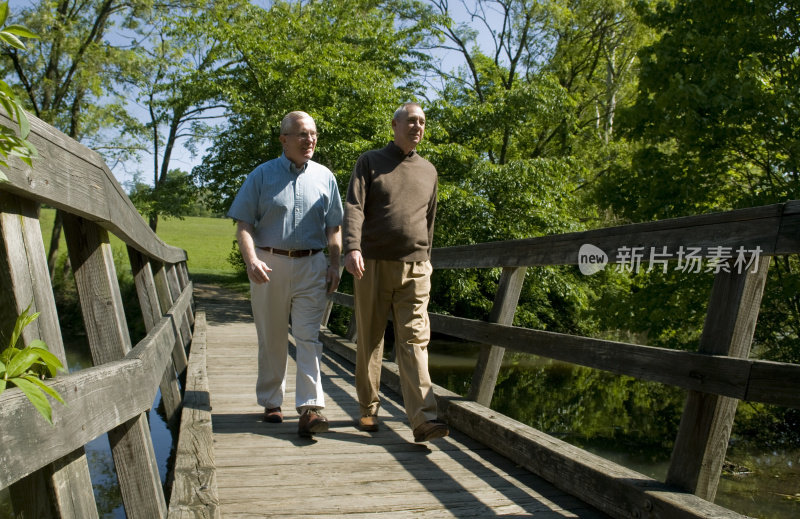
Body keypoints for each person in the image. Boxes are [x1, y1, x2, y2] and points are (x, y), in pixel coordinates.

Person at [227, 111, 343, 438]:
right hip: (269, 263)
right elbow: (244, 224)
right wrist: (250, 260)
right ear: (284, 139)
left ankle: (310, 408)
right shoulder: (262, 176)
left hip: (312, 265)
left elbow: (334, 227)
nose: (310, 140)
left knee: (308, 337)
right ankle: (271, 401)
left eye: (313, 134)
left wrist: (335, 264)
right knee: (273, 336)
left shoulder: (325, 177)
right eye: (302, 134)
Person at [343, 102, 449, 443]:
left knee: (415, 341)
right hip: (372, 263)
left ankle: (423, 419)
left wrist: (426, 258)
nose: (417, 126)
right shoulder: (370, 162)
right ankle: (368, 410)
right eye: (411, 121)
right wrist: (353, 247)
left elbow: (429, 220)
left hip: (416, 267)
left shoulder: (429, 171)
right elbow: (354, 207)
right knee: (371, 339)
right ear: (395, 124)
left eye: (422, 122)